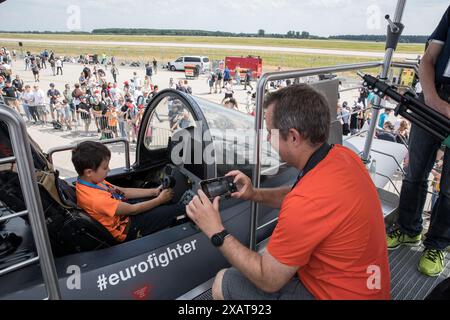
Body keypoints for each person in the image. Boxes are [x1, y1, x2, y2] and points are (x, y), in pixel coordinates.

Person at [186, 84, 391, 300]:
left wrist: (216, 231)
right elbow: (299, 196)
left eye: (270, 132)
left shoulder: (305, 203)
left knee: (224, 282)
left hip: (334, 294)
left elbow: (268, 279)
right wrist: (254, 193)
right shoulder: (342, 157)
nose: (266, 140)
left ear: (293, 137)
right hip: (366, 289)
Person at [387, 6, 450, 277]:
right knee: (414, 172)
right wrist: (434, 100)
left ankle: (437, 245)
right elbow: (428, 59)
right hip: (434, 95)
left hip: (435, 98)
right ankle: (408, 229)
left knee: (449, 189)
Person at [72, 141, 185, 242]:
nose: (109, 169)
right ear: (89, 172)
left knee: (163, 202)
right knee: (180, 209)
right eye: (105, 168)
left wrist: (154, 192)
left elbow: (123, 191)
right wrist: (159, 200)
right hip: (127, 229)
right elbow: (132, 210)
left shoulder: (92, 182)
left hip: (124, 214)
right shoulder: (95, 198)